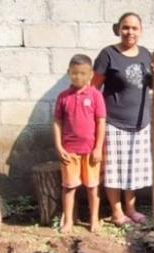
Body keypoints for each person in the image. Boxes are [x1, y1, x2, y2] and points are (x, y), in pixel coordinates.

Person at [92, 12, 154, 226]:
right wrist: (95, 119)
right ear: (118, 29)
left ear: (141, 31)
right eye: (125, 27)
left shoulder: (146, 54)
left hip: (141, 122)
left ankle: (131, 209)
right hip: (114, 122)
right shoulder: (108, 54)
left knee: (132, 169)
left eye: (134, 28)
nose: (130, 32)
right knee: (114, 170)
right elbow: (94, 88)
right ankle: (117, 212)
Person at [53, 54, 107, 234]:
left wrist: (98, 148)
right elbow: (57, 122)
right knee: (69, 187)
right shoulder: (63, 97)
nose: (78, 77)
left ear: (91, 74)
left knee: (92, 187)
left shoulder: (96, 96)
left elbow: (101, 122)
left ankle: (94, 219)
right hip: (69, 152)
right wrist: (59, 147)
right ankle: (69, 220)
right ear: (69, 73)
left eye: (83, 73)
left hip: (91, 152)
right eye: (75, 73)